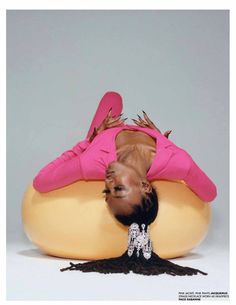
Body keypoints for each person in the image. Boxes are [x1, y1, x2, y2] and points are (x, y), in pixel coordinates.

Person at [33, 91, 217, 276]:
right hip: (146, 138)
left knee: (112, 98)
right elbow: (210, 193)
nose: (108, 181)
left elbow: (41, 181)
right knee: (114, 98)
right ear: (145, 186)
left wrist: (87, 143)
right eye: (119, 189)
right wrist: (164, 142)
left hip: (104, 134)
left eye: (107, 191)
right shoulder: (178, 163)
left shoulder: (92, 162)